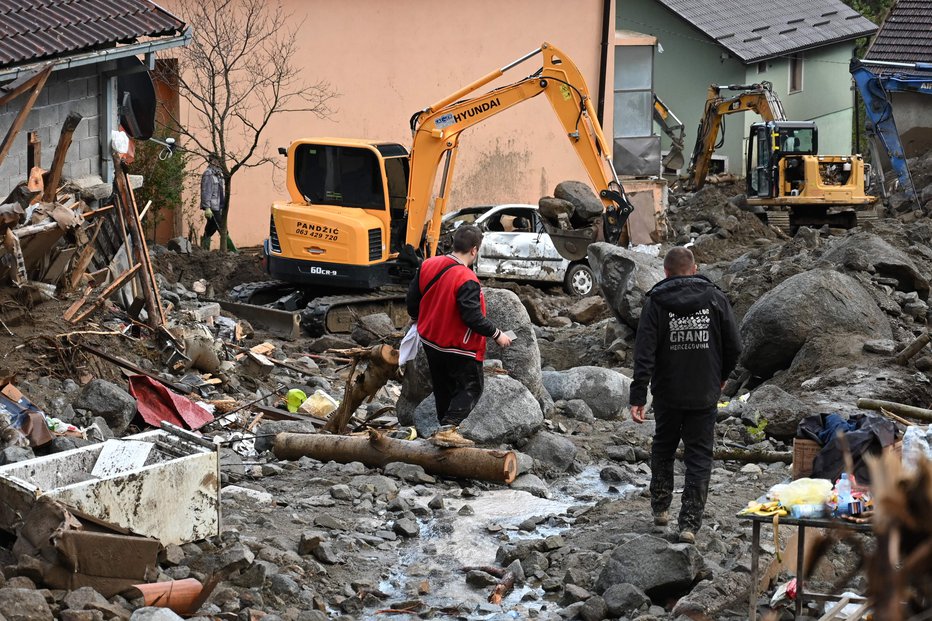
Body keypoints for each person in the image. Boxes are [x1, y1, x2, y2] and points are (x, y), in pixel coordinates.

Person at [629, 246, 741, 543]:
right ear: (694, 269)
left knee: (663, 447)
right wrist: (722, 376)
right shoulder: (716, 298)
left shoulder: (656, 302)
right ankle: (689, 524)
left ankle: (660, 510)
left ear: (665, 272)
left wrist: (638, 395)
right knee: (699, 455)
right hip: (704, 390)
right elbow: (735, 345)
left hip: (668, 392)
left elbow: (644, 352)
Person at [406, 224, 512, 447]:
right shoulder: (467, 278)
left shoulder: (428, 264)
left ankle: (443, 430)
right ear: (474, 250)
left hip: (430, 340)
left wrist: (417, 317)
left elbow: (412, 298)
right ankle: (448, 428)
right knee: (471, 388)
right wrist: (497, 334)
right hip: (458, 346)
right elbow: (472, 317)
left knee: (442, 387)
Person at [200, 156, 226, 250]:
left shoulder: (218, 174)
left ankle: (204, 249)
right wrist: (207, 207)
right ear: (212, 161)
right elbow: (206, 191)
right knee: (221, 227)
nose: (219, 163)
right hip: (212, 207)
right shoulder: (208, 174)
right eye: (217, 161)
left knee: (211, 228)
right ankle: (230, 250)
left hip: (219, 205)